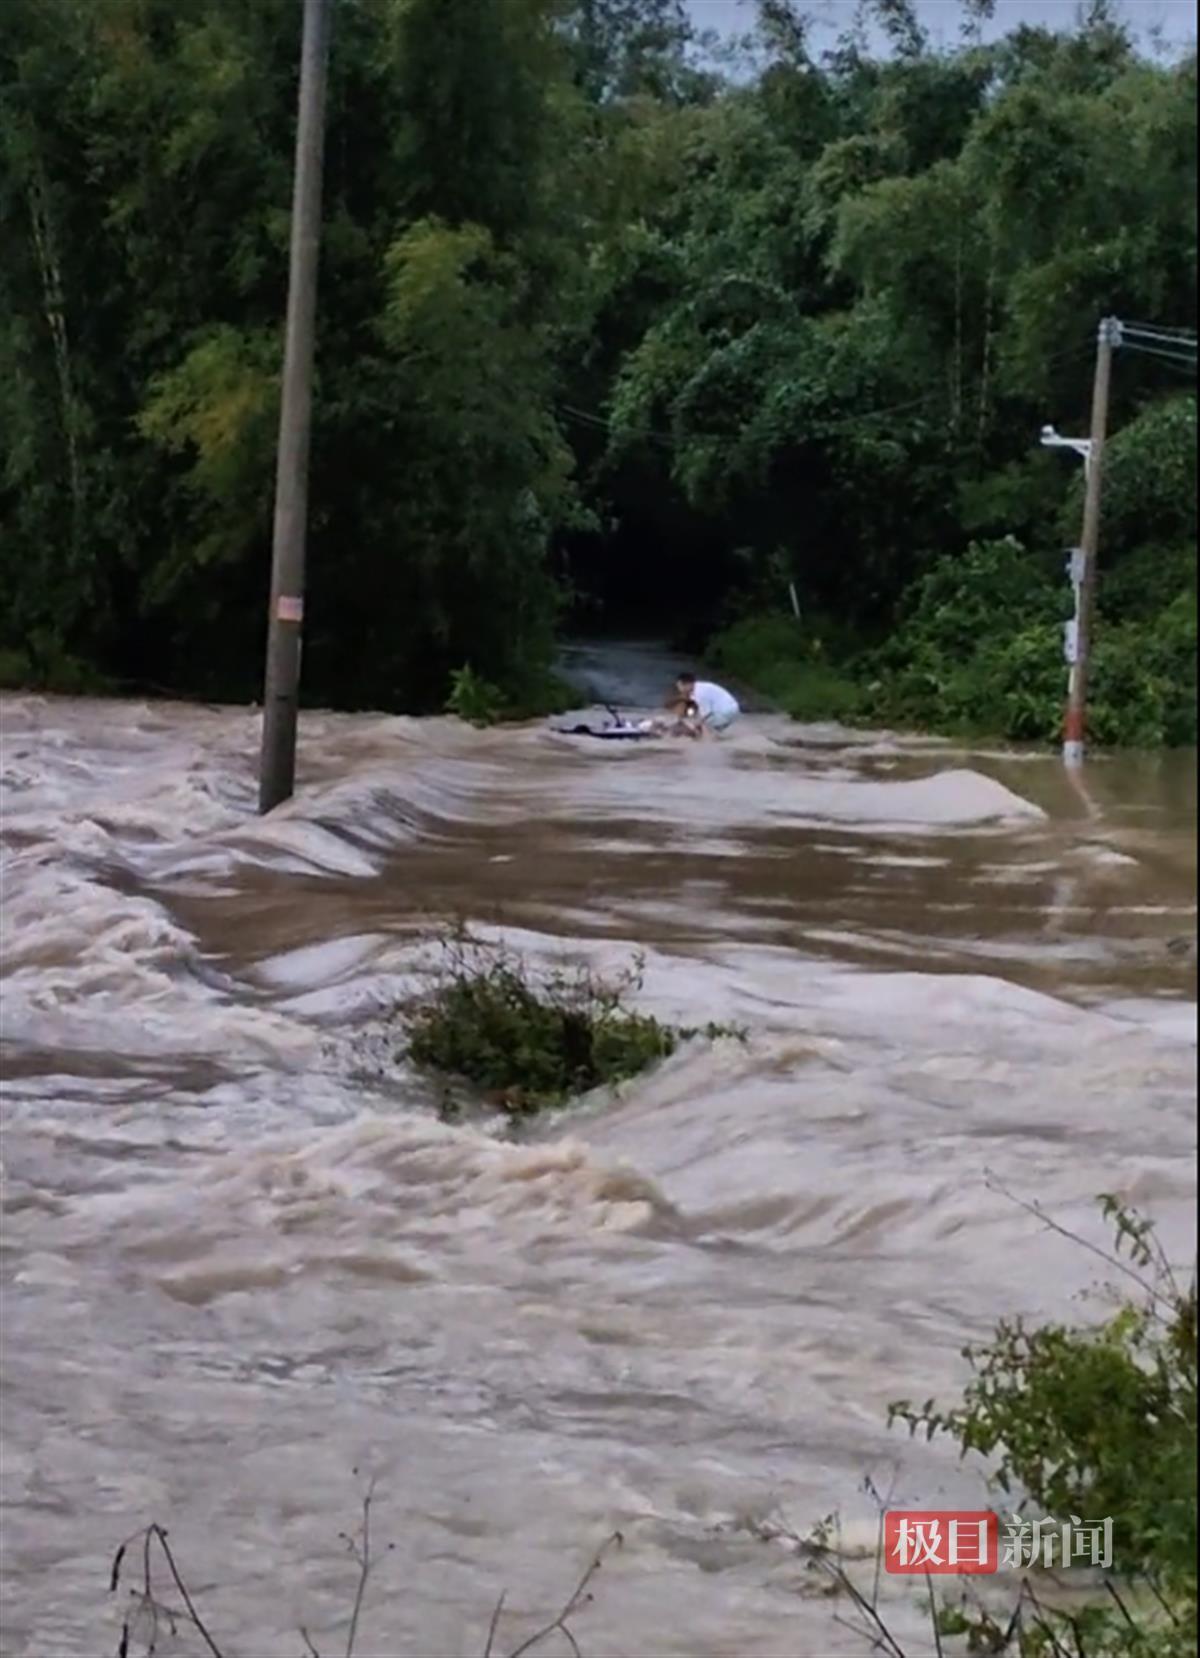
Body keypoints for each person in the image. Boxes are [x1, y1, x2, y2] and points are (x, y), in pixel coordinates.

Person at [670, 673, 739, 736]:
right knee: (699, 722)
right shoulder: (697, 689)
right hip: (727, 710)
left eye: (680, 686)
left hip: (726, 711)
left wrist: (693, 726)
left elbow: (705, 714)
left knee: (702, 723)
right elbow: (692, 710)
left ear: (688, 684)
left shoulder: (700, 693)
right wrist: (682, 718)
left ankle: (709, 738)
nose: (679, 689)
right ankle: (714, 732)